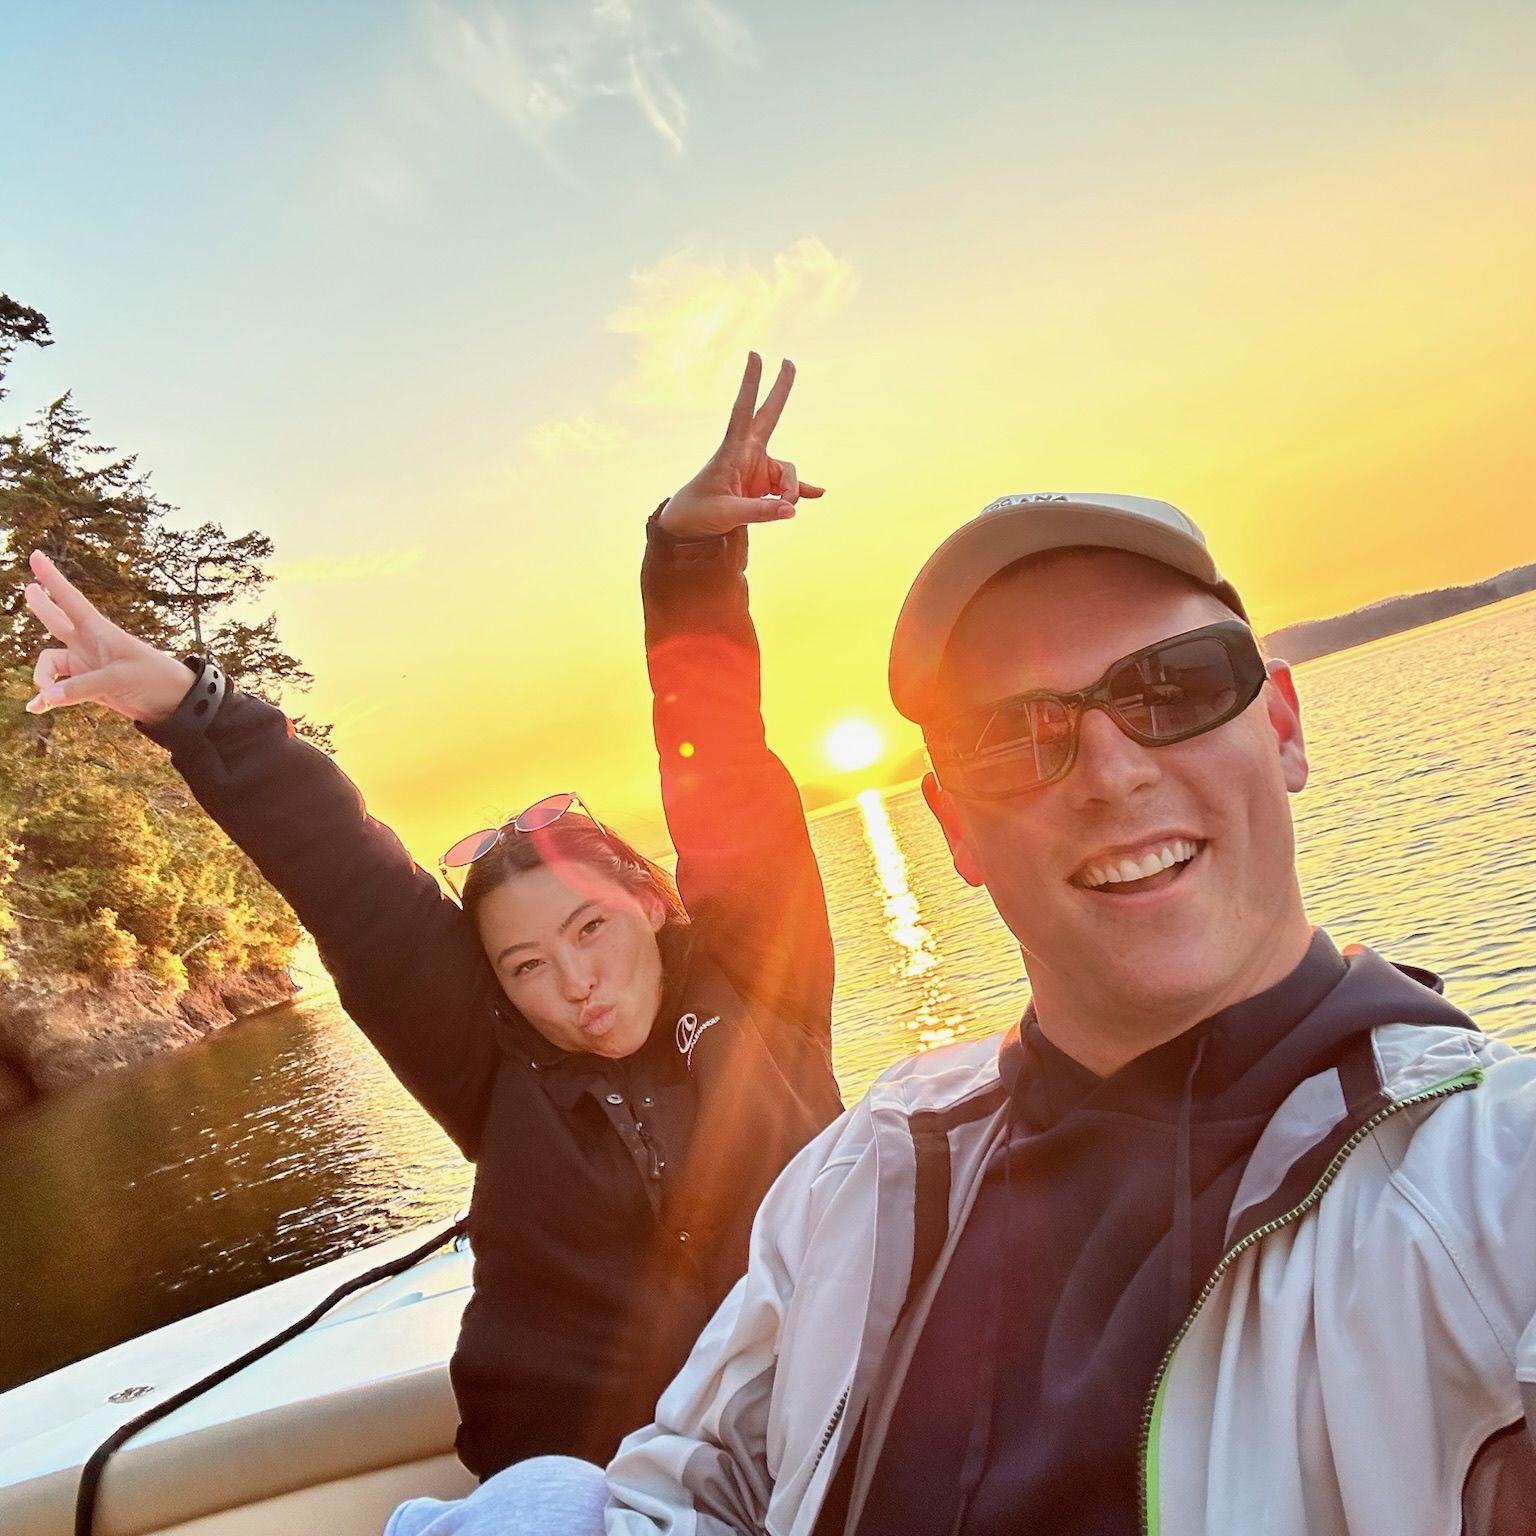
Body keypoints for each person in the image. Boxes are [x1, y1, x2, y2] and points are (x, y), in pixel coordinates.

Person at [452, 491, 1533, 1535]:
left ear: (1284, 726)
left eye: (1176, 688)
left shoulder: (1485, 1174)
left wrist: (689, 569)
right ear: (953, 831)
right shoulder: (863, 1176)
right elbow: (691, 1494)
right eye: (1016, 736)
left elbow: (728, 799)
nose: (1110, 772)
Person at [19, 354, 844, 1480]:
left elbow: (719, 752)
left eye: (590, 930)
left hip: (827, 1430)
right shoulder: (494, 1072)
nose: (571, 987)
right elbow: (351, 878)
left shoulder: (762, 982)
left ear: (651, 903)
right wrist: (186, 701)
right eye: (524, 967)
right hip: (587, 1486)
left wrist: (690, 551)